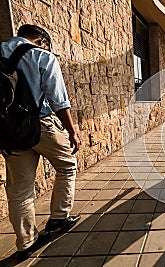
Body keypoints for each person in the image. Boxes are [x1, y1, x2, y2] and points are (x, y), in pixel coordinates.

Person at [0, 24, 81, 261]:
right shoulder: (41, 55)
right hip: (41, 124)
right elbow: (58, 100)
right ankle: (59, 217)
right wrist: (72, 131)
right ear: (41, 40)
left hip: (10, 130)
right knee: (67, 165)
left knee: (19, 189)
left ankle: (25, 243)